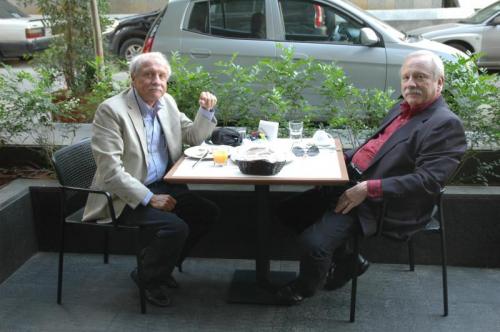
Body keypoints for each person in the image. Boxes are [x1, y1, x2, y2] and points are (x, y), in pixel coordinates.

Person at [276, 50, 467, 305]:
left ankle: (304, 287)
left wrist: (368, 189)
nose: (410, 83)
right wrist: (338, 160)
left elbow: (428, 181)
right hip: (353, 184)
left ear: (439, 82)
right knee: (287, 211)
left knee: (314, 244)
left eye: (420, 77)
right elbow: (375, 149)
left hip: (385, 203)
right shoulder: (402, 109)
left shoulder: (444, 124)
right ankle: (348, 261)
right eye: (407, 77)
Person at [83, 52, 220, 307]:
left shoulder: (166, 102)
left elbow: (193, 136)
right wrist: (149, 198)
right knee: (175, 227)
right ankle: (149, 278)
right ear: (133, 79)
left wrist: (206, 110)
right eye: (148, 74)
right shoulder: (111, 111)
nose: (156, 80)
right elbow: (111, 171)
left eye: (161, 75)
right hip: (123, 195)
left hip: (164, 184)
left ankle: (158, 266)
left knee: (206, 212)